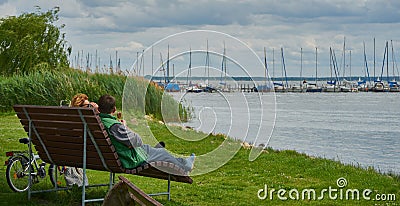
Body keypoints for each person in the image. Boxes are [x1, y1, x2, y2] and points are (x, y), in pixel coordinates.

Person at [97, 94, 195, 172]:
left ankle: (182, 161)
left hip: (109, 158)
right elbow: (138, 141)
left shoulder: (97, 122)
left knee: (150, 149)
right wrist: (125, 127)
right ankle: (185, 166)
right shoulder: (115, 126)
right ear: (114, 110)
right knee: (162, 153)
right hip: (128, 159)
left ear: (98, 109)